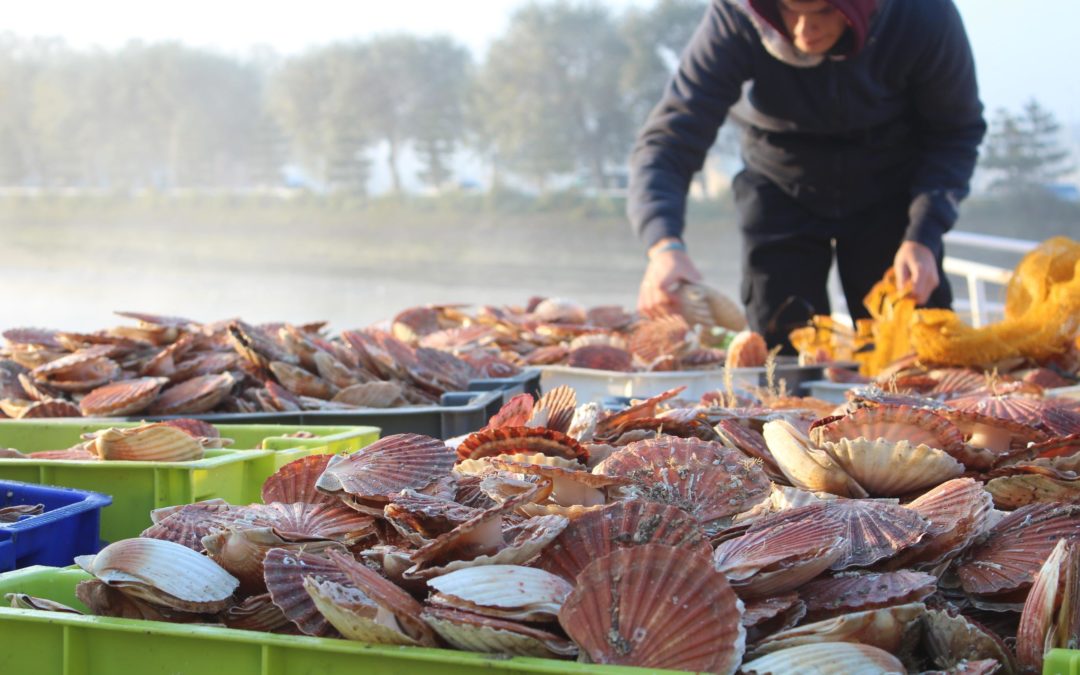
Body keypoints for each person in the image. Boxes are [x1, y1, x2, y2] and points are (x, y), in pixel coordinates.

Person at [628, 0, 986, 351]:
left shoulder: (924, 14)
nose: (803, 29)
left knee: (915, 353)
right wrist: (664, 245)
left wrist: (923, 236)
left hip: (892, 192)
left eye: (824, 10)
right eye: (789, 9)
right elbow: (670, 139)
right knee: (781, 352)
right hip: (778, 185)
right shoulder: (737, 15)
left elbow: (955, 132)